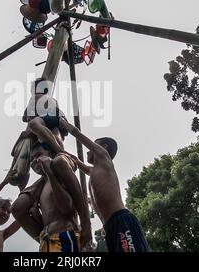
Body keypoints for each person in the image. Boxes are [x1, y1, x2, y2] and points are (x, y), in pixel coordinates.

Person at [59, 117, 150, 252]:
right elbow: (75, 160)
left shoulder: (104, 157)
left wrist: (63, 123)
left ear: (103, 147)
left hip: (121, 220)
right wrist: (57, 148)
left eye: (93, 147)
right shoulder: (92, 170)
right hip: (109, 227)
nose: (88, 151)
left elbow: (78, 134)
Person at [12, 141, 92, 252]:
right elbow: (18, 209)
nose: (35, 160)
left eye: (38, 155)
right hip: (46, 242)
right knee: (16, 207)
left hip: (65, 236)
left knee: (59, 161)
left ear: (50, 153)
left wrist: (86, 224)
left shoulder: (58, 168)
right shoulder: (41, 185)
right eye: (31, 159)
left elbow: (66, 209)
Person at [23, 77, 68, 154]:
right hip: (59, 117)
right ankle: (62, 152)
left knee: (33, 124)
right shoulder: (53, 100)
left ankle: (59, 150)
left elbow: (26, 117)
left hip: (47, 115)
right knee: (55, 134)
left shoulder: (35, 97)